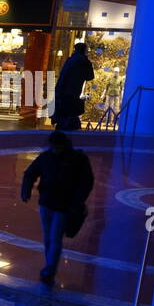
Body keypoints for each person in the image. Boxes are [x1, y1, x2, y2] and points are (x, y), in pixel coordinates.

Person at [20, 130, 94, 286]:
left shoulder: (76, 159)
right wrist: (25, 190)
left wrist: (76, 202)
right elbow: (30, 173)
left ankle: (49, 269)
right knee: (49, 237)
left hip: (63, 206)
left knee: (54, 238)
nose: (55, 150)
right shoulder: (48, 157)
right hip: (47, 203)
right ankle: (49, 267)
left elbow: (86, 182)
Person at [53, 42, 94, 131]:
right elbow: (90, 76)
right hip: (75, 91)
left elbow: (63, 75)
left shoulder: (70, 60)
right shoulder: (85, 61)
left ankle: (62, 130)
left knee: (64, 113)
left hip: (64, 90)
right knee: (71, 112)